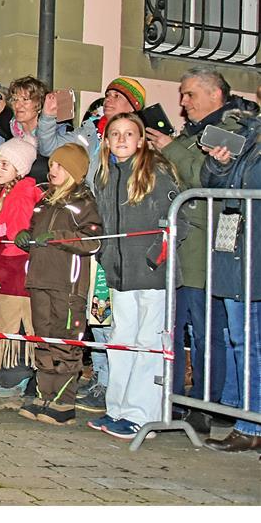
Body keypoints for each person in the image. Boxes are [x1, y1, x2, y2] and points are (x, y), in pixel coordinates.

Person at [145, 68, 257, 434]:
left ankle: (206, 406)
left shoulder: (231, 129)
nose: (183, 102)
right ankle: (176, 399)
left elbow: (207, 178)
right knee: (176, 328)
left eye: (190, 94)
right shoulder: (190, 134)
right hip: (181, 245)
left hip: (210, 244)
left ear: (214, 95)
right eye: (182, 94)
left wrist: (172, 149)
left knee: (213, 332)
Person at [36, 75, 146, 414]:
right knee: (95, 314)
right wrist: (48, 118)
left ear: (133, 108)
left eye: (118, 96)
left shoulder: (136, 143)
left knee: (105, 313)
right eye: (108, 93)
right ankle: (99, 377)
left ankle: (113, 381)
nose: (109, 99)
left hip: (101, 231)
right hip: (82, 231)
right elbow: (51, 149)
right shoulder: (90, 131)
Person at [89, 113, 187, 440]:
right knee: (120, 342)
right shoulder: (105, 177)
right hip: (120, 275)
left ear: (141, 140)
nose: (121, 140)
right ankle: (117, 408)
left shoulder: (155, 173)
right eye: (114, 134)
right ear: (105, 141)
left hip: (152, 276)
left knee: (148, 344)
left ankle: (142, 415)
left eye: (129, 134)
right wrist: (104, 254)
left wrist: (151, 258)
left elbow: (177, 222)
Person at [14, 143, 103, 426]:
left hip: (67, 284)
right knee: (43, 339)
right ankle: (44, 394)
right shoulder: (44, 201)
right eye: (51, 164)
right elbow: (35, 230)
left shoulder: (83, 203)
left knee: (64, 341)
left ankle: (64, 401)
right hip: (39, 278)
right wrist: (25, 236)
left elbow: (92, 241)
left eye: (60, 166)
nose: (52, 170)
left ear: (74, 171)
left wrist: (58, 237)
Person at [201, 102, 261, 452]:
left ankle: (250, 422)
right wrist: (219, 162)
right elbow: (210, 183)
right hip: (238, 250)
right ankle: (248, 421)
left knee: (252, 342)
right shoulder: (249, 133)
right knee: (241, 338)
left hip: (253, 249)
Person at [0, 138, 44, 410]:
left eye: (5, 164)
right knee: (6, 326)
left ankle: (13, 384)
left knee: (13, 329)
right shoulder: (5, 193)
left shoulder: (19, 196)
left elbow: (14, 246)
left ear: (20, 168)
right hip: (8, 275)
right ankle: (6, 381)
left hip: (15, 278)